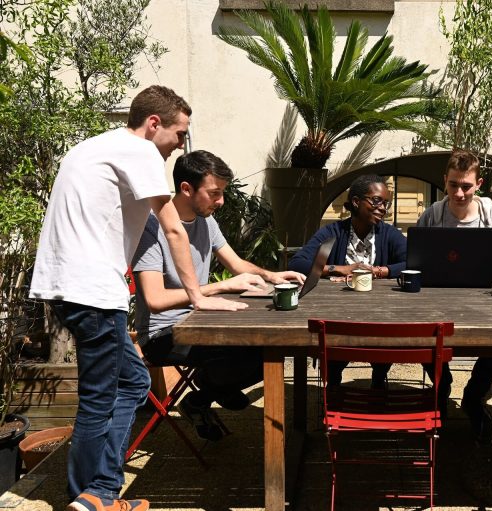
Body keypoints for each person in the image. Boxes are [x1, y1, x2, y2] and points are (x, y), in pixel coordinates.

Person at [29, 86, 246, 511]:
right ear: (153, 124)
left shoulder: (92, 148)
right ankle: (92, 498)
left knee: (130, 382)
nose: (182, 144)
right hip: (91, 289)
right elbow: (172, 228)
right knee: (103, 395)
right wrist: (198, 296)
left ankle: (97, 492)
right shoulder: (140, 151)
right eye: (180, 133)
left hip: (65, 285)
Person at [132, 150, 304, 440]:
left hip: (200, 320)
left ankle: (204, 394)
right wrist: (220, 287)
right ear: (186, 189)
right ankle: (210, 388)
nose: (221, 201)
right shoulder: (151, 228)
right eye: (214, 193)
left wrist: (271, 276)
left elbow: (236, 264)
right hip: (164, 335)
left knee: (272, 346)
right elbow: (155, 300)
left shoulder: (206, 222)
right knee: (261, 354)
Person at [416, 149, 492, 444]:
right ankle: (442, 388)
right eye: (453, 185)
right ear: (444, 182)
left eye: (466, 186)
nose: (459, 193)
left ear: (479, 183)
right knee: (426, 339)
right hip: (437, 299)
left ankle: (474, 396)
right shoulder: (433, 214)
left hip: (485, 299)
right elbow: (417, 260)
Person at [289, 174, 406, 388]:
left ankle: (378, 381)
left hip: (381, 315)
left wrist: (379, 271)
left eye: (386, 203)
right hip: (339, 315)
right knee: (334, 353)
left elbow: (412, 262)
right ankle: (333, 387)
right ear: (356, 202)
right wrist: (338, 269)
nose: (383, 208)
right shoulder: (333, 232)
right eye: (376, 201)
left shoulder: (388, 234)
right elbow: (297, 263)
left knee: (384, 344)